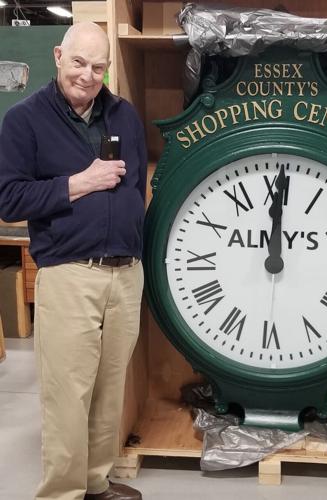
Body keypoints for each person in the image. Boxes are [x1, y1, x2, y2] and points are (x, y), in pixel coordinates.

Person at [0, 22, 146, 500]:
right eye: (79, 63)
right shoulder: (24, 120)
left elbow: (135, 186)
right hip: (69, 275)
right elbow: (8, 198)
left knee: (109, 392)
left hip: (125, 275)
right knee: (67, 396)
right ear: (59, 55)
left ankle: (94, 484)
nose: (87, 75)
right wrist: (79, 183)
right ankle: (61, 494)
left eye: (98, 67)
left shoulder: (124, 115)